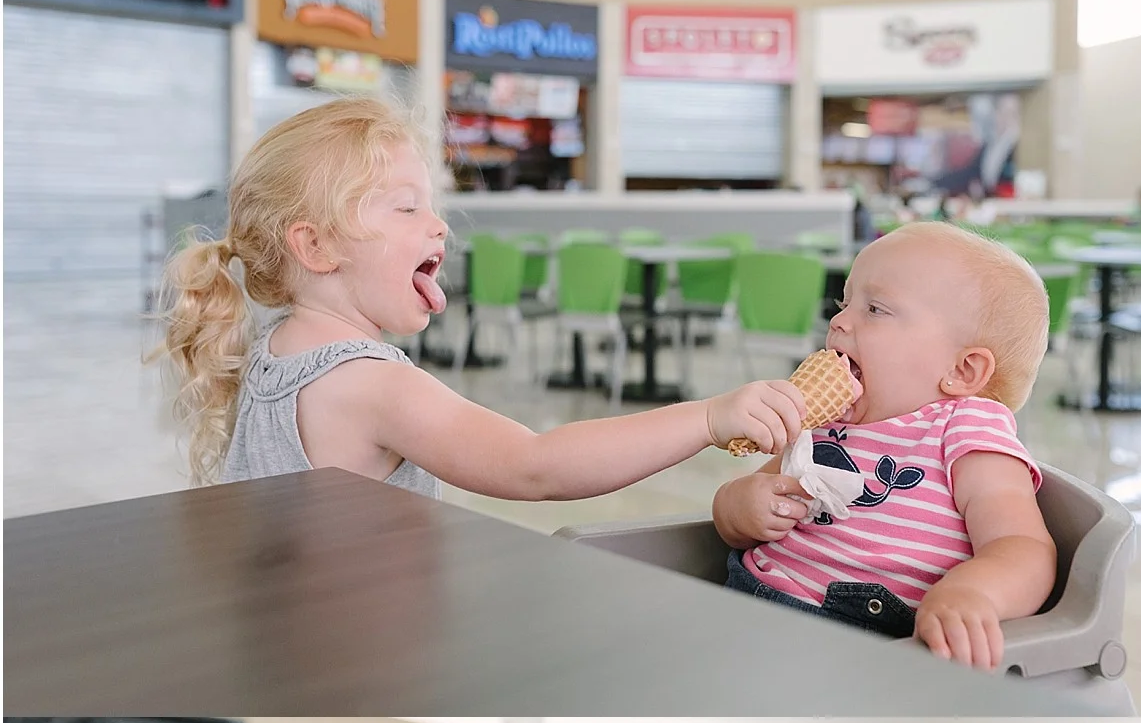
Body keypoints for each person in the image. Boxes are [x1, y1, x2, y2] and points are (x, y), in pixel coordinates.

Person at [156, 96, 805, 493]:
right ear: (317, 247)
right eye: (406, 207)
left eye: (432, 205)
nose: (437, 224)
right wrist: (707, 417)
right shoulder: (371, 384)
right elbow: (535, 466)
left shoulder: (274, 352)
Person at [714, 221, 1058, 669]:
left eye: (875, 309)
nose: (838, 320)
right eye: (844, 302)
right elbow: (733, 513)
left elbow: (1023, 547)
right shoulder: (822, 423)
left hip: (862, 654)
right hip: (744, 614)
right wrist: (740, 508)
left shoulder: (966, 430)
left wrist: (972, 593)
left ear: (963, 371)